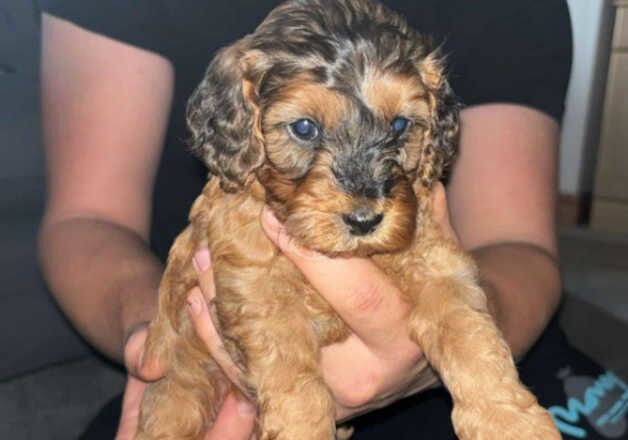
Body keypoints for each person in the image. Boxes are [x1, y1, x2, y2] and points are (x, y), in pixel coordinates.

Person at [38, 1, 624, 439]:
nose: (363, 201)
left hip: (500, 347)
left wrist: (463, 360)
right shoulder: (238, 166)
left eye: (399, 128)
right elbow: (86, 218)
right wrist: (159, 342)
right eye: (304, 129)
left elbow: (513, 244)